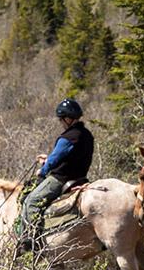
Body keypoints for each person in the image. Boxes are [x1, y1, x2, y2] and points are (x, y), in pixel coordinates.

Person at [18, 98, 94, 247]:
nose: (61, 123)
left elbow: (54, 160)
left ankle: (31, 241)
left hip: (61, 179)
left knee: (31, 201)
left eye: (61, 120)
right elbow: (69, 156)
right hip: (81, 177)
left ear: (67, 119)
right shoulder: (86, 135)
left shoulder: (68, 137)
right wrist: (48, 160)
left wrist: (43, 170)